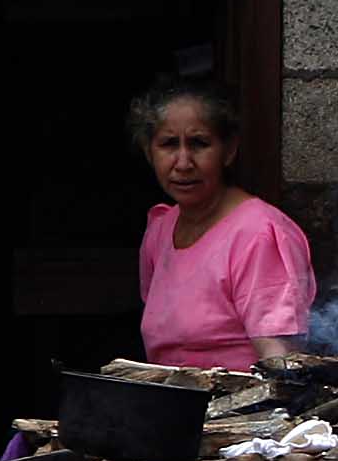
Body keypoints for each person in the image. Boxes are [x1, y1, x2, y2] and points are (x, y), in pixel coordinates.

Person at [132, 72, 316, 370]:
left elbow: (281, 361)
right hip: (172, 406)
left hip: (239, 411)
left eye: (199, 143)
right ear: (148, 152)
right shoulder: (160, 229)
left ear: (228, 150)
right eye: (168, 144)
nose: (183, 163)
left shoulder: (258, 234)